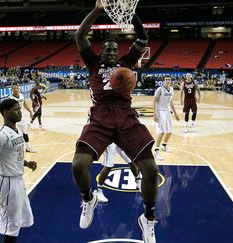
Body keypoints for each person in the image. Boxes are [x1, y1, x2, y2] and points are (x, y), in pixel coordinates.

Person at [72, 1, 158, 242]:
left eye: (114, 49)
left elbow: (143, 36)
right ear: (102, 52)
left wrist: (131, 14)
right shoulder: (93, 62)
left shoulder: (127, 63)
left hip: (125, 115)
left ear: (118, 52)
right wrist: (98, 9)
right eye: (107, 49)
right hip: (100, 116)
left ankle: (148, 219)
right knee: (78, 166)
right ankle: (88, 199)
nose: (110, 52)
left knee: (151, 170)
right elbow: (80, 35)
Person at [0, 98, 37, 243]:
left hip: (18, 181)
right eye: (16, 110)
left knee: (19, 222)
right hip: (7, 184)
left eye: (19, 109)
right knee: (10, 227)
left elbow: (12, 156)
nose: (20, 112)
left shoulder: (16, 131)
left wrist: (27, 163)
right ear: (6, 113)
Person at [153, 76, 179, 161]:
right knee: (161, 131)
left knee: (170, 131)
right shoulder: (160, 89)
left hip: (167, 111)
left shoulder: (171, 89)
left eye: (169, 80)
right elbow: (154, 101)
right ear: (164, 81)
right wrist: (155, 114)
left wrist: (175, 113)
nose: (168, 81)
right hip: (160, 111)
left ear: (171, 81)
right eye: (166, 80)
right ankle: (156, 151)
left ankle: (164, 146)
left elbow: (171, 102)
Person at [8, 83, 36, 152]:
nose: (15, 89)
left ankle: (27, 147)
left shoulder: (21, 96)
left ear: (18, 89)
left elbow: (24, 104)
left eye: (16, 88)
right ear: (12, 90)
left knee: (24, 132)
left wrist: (30, 111)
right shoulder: (10, 98)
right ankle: (14, 148)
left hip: (21, 117)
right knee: (14, 133)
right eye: (14, 88)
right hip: (14, 118)